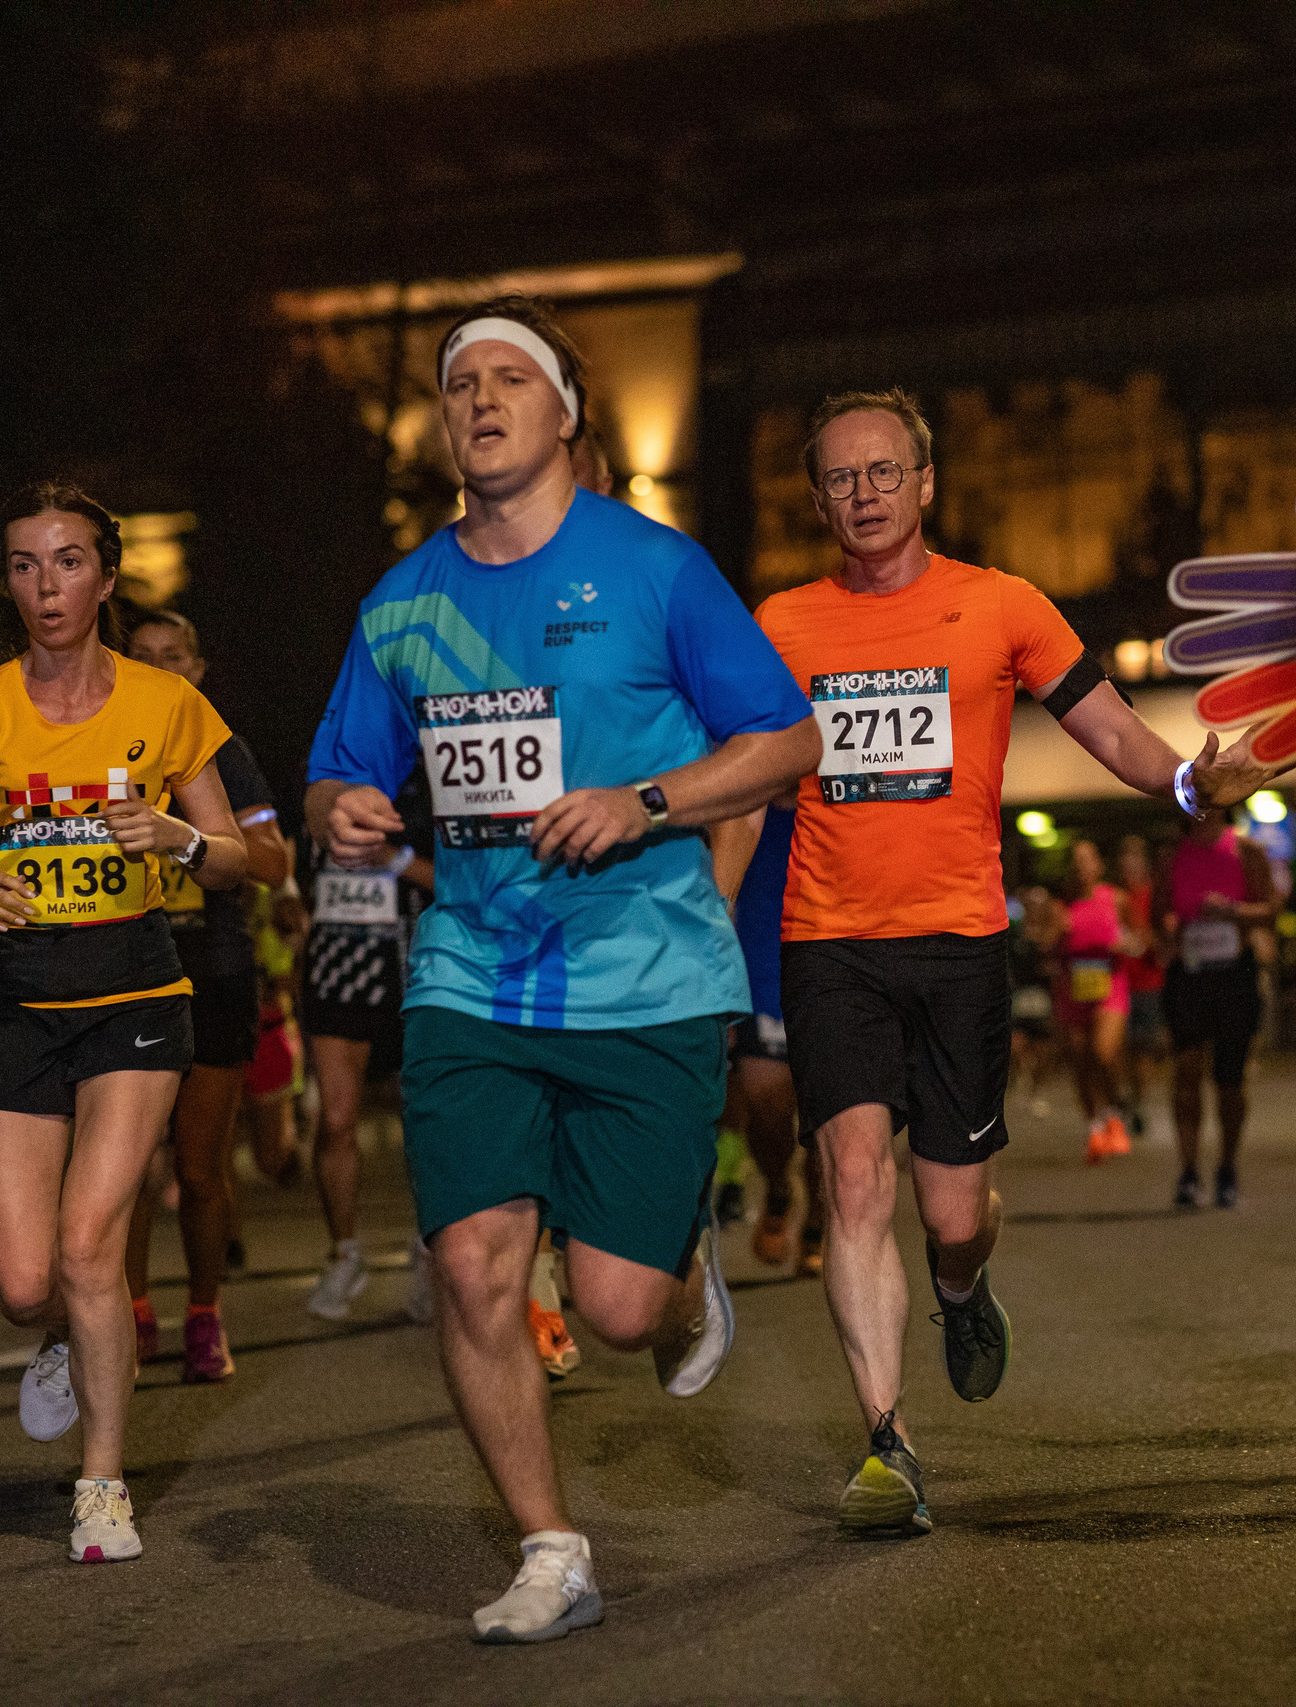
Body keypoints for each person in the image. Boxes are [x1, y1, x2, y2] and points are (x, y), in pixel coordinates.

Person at [305, 294, 820, 1642]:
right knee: (475, 1263)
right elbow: (337, 771)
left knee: (615, 1306)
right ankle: (550, 1546)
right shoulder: (401, 603)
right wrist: (341, 808)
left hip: (644, 970)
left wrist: (644, 803)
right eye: (458, 382)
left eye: (508, 378)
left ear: (567, 411)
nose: (479, 399)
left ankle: (677, 1273)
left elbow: (785, 739)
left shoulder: (654, 569)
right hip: (470, 973)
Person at [754, 386, 1280, 1537]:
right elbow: (733, 769)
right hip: (828, 941)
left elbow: (1109, 727)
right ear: (818, 502)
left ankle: (960, 1285)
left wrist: (1188, 781)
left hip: (959, 942)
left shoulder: (1001, 605)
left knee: (951, 1214)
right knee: (855, 1183)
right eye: (840, 478)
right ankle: (886, 1443)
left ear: (925, 482)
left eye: (883, 471)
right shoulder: (779, 625)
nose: (863, 494)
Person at [0, 480, 249, 1561]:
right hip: (12, 999)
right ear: (7, 582)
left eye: (66, 562)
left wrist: (179, 839)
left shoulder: (166, 702)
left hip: (134, 995)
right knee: (20, 1282)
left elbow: (238, 855)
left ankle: (102, 1484)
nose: (45, 585)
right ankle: (55, 1336)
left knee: (91, 1243)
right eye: (24, 565)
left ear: (105, 577)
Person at [117, 610, 290, 1381]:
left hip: (212, 971)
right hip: (125, 971)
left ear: (197, 668)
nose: (160, 668)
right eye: (143, 655)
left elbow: (275, 864)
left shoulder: (223, 752)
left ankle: (203, 1312)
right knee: (126, 1168)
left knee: (198, 1168)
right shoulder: (103, 742)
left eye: (173, 656)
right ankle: (130, 1312)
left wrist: (186, 835)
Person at [298, 781, 432, 1322]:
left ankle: (429, 1249)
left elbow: (459, 881)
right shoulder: (321, 799)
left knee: (423, 1125)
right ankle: (344, 1253)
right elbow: (298, 884)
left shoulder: (422, 790)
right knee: (335, 1122)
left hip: (409, 972)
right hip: (335, 974)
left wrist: (392, 858)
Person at [725, 798, 825, 1273]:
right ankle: (779, 1187)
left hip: (833, 978)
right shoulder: (742, 806)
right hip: (762, 979)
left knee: (833, 1121)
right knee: (765, 1104)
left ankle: (819, 1218)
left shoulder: (837, 798)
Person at [1158, 816, 1275, 1208]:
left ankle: (1227, 1166)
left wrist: (1232, 912)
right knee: (1187, 1070)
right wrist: (1170, 924)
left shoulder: (1245, 851)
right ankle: (1189, 1170)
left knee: (1230, 1078)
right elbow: (1159, 911)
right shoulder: (1173, 855)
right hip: (1189, 974)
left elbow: (1271, 909)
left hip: (1233, 974)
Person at [1053, 838, 1138, 1164]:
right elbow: (1045, 948)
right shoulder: (1061, 907)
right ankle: (1096, 1129)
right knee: (1080, 1062)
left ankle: (1115, 1109)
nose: (1081, 868)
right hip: (1073, 990)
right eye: (1076, 862)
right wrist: (1057, 935)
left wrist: (1125, 943)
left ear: (1099, 865)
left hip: (1110, 986)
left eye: (1087, 860)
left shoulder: (1116, 899)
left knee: (1102, 1054)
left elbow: (1141, 940)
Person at [1115, 835, 1166, 1133]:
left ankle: (1139, 1102)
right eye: (1125, 859)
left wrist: (1147, 938)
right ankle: (1123, 1098)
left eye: (1134, 859)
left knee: (1143, 1048)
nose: (1129, 865)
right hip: (1118, 981)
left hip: (1148, 981)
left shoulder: (1153, 894)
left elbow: (1163, 934)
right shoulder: (1115, 896)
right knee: (1120, 1046)